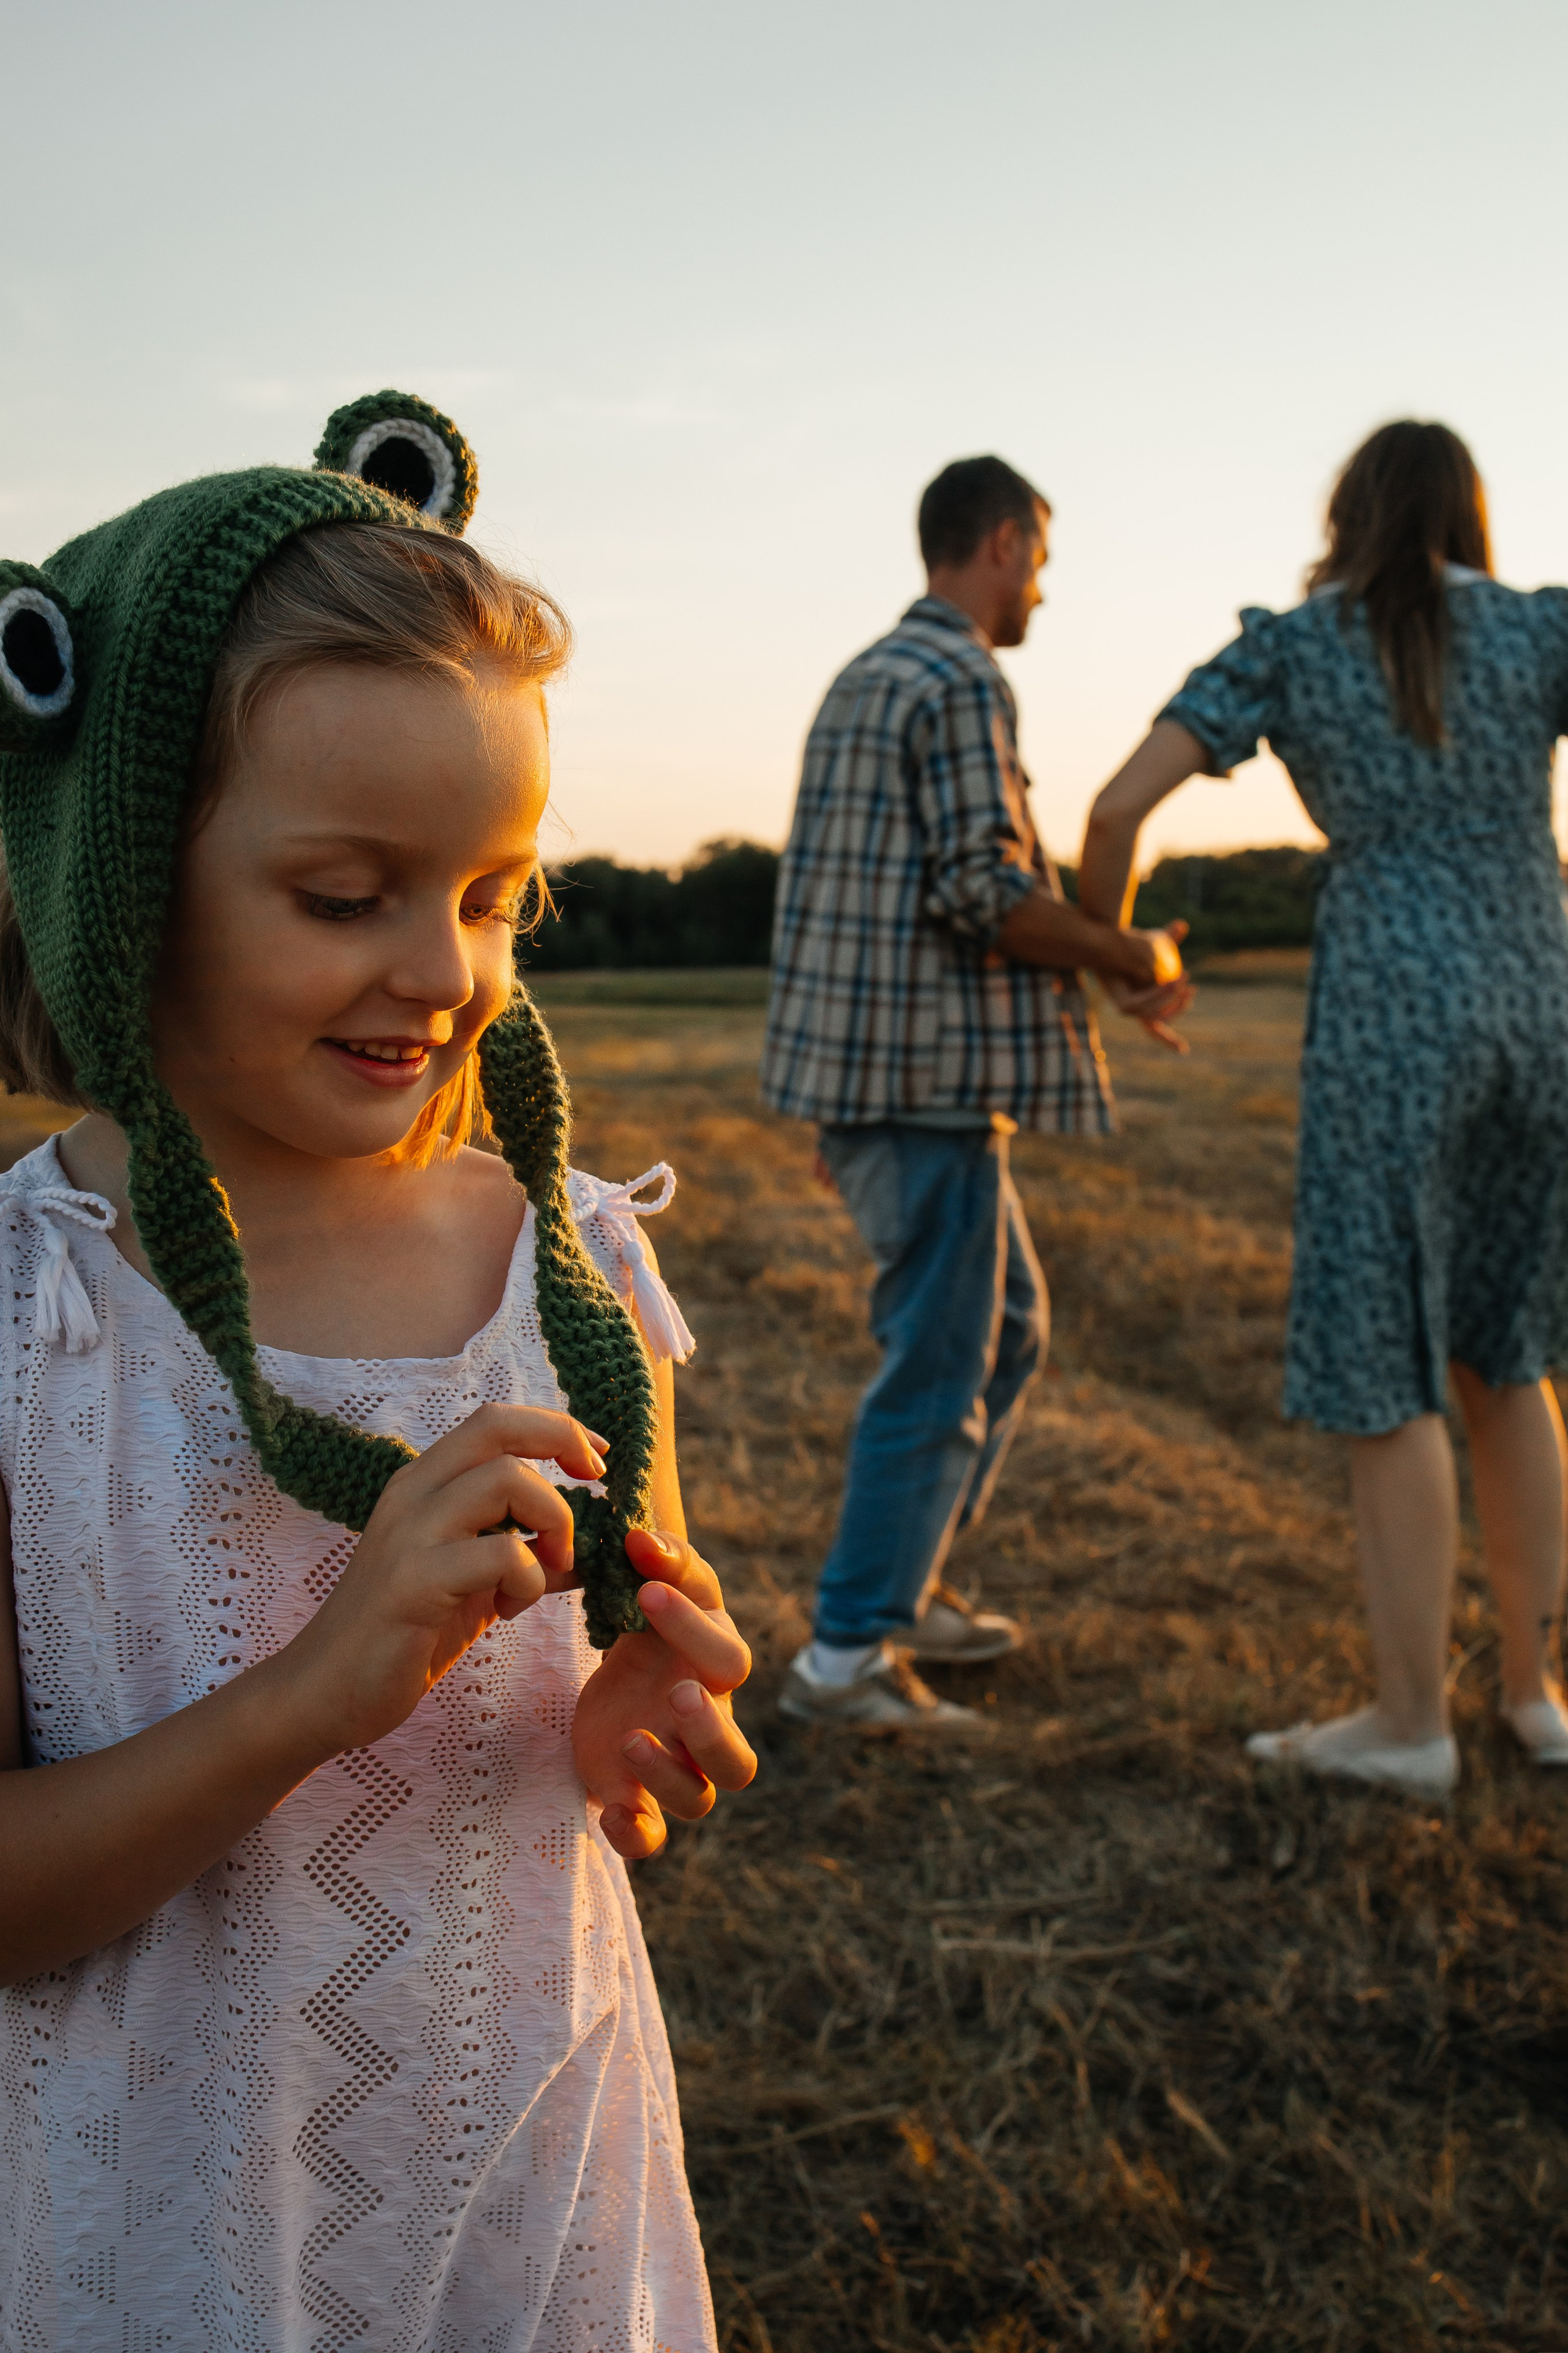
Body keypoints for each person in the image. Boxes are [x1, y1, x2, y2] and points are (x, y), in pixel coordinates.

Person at [0, 392, 753, 2350]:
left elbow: (614, 1648)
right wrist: (323, 1689)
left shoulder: (572, 1265)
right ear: (118, 884)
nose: (444, 967)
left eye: (498, 896)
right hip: (156, 2208)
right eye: (346, 898)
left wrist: (631, 1715)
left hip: (515, 2158)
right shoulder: (28, 1315)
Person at [1080, 418, 1568, 1798]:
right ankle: (1535, 1697)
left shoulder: (1291, 645)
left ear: (1344, 513)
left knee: (1385, 1371)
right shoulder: (1541, 629)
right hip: (1539, 998)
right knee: (1509, 1355)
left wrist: (1123, 957)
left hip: (1384, 1018)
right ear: (1465, 512)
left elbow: (1118, 811)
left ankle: (1411, 1722)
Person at [761, 456, 1191, 1729]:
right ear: (1000, 543)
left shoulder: (869, 672)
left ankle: (903, 1589)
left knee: (1004, 1330)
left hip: (880, 1077)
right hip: (924, 1083)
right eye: (1041, 561)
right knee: (939, 1363)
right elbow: (978, 890)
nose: (1043, 592)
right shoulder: (958, 676)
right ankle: (844, 1656)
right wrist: (1131, 954)